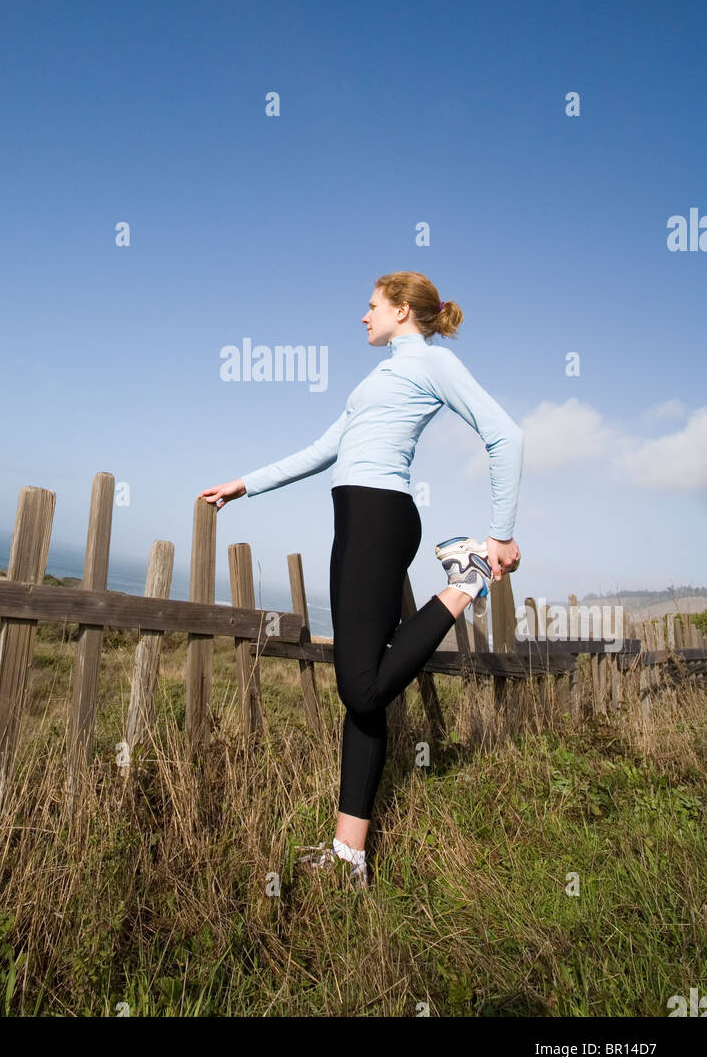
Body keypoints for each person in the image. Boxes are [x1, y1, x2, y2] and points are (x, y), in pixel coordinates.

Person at [198, 271, 523, 888]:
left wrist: (501, 532)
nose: (363, 316)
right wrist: (245, 483)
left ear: (402, 310)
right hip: (351, 519)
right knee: (363, 685)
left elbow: (506, 434)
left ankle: (468, 577)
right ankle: (351, 856)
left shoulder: (433, 362)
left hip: (383, 516)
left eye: (372, 306)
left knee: (363, 690)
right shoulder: (377, 378)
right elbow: (324, 448)